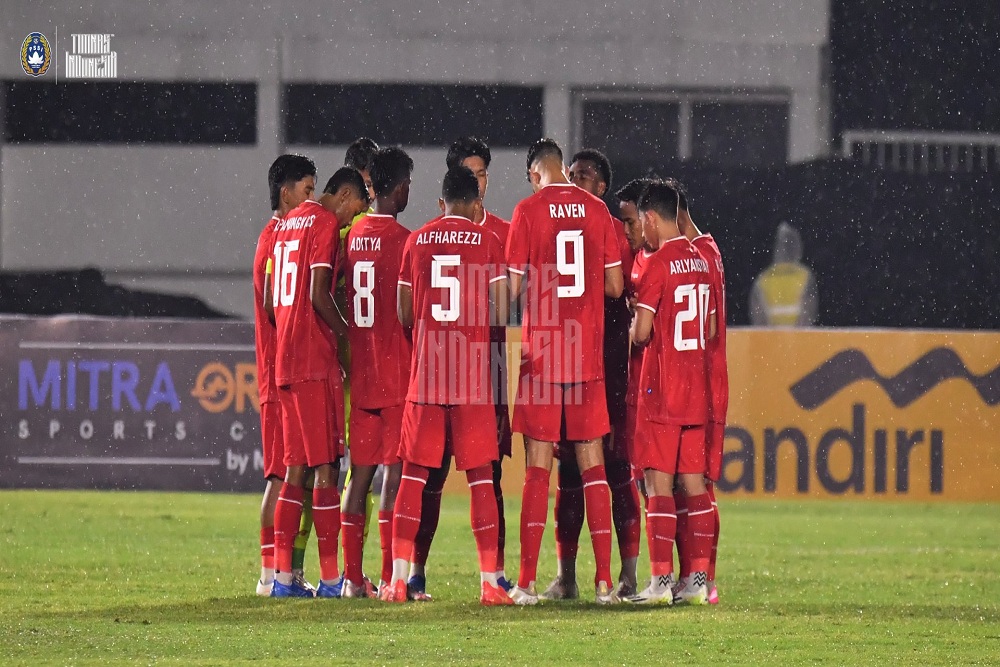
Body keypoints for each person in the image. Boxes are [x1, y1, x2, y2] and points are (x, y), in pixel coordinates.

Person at [381, 166, 512, 606]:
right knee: (480, 481)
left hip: (428, 377)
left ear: (442, 201)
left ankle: (399, 579)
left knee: (413, 479)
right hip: (471, 378)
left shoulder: (416, 241)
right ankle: (491, 583)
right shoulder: (488, 240)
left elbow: (402, 312)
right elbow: (499, 314)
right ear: (476, 204)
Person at [507, 138, 625, 605]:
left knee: (539, 470)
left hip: (542, 357)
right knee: (593, 466)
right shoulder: (596, 211)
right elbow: (615, 286)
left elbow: (512, 291)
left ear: (536, 174)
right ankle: (602, 584)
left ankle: (526, 583)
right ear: (561, 168)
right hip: (585, 358)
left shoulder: (528, 211)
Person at [539, 149, 640, 600]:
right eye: (571, 174)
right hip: (568, 363)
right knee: (569, 476)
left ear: (602, 187)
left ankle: (629, 574)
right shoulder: (561, 226)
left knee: (617, 471)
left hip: (610, 369)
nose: (575, 181)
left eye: (585, 176)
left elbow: (619, 288)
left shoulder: (611, 229)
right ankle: (568, 576)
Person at [268, 168, 370, 598]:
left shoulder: (286, 223)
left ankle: (281, 579)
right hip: (313, 360)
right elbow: (318, 291)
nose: (349, 223)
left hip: (285, 361)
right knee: (326, 469)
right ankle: (331, 580)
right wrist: (348, 335)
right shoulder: (326, 224)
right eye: (353, 213)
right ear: (344, 196)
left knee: (296, 471)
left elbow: (277, 295)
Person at [627, 181, 717, 606]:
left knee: (657, 485)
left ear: (649, 217)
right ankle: (697, 580)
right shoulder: (702, 260)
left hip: (662, 390)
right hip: (697, 391)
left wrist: (635, 324)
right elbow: (712, 330)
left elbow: (642, 332)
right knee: (695, 486)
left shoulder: (659, 264)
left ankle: (661, 582)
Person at [340, 147, 414, 597]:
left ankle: (350, 578)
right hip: (397, 375)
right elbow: (410, 313)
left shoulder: (350, 236)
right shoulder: (406, 240)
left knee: (359, 477)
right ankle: (389, 578)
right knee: (393, 479)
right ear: (400, 187)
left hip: (361, 375)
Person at [253, 154, 316, 596]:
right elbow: (276, 304)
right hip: (281, 374)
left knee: (291, 474)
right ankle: (272, 575)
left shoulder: (277, 237)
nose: (311, 199)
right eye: (307, 191)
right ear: (285, 192)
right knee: (282, 475)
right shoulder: (277, 239)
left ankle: (278, 573)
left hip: (280, 372)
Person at [666, 178, 728, 605]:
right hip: (704, 382)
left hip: (699, 383)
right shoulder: (710, 251)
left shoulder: (697, 256)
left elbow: (703, 329)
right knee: (690, 484)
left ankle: (703, 577)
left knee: (696, 485)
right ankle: (698, 578)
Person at [614, 177, 655, 498]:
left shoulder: (663, 261)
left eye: (630, 222)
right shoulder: (632, 259)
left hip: (659, 387)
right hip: (636, 383)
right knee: (641, 479)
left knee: (666, 483)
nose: (626, 231)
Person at [749, 222, 818, 326]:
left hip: (770, 339)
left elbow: (758, 317)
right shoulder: (805, 276)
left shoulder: (763, 278)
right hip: (797, 339)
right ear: (798, 247)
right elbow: (808, 313)